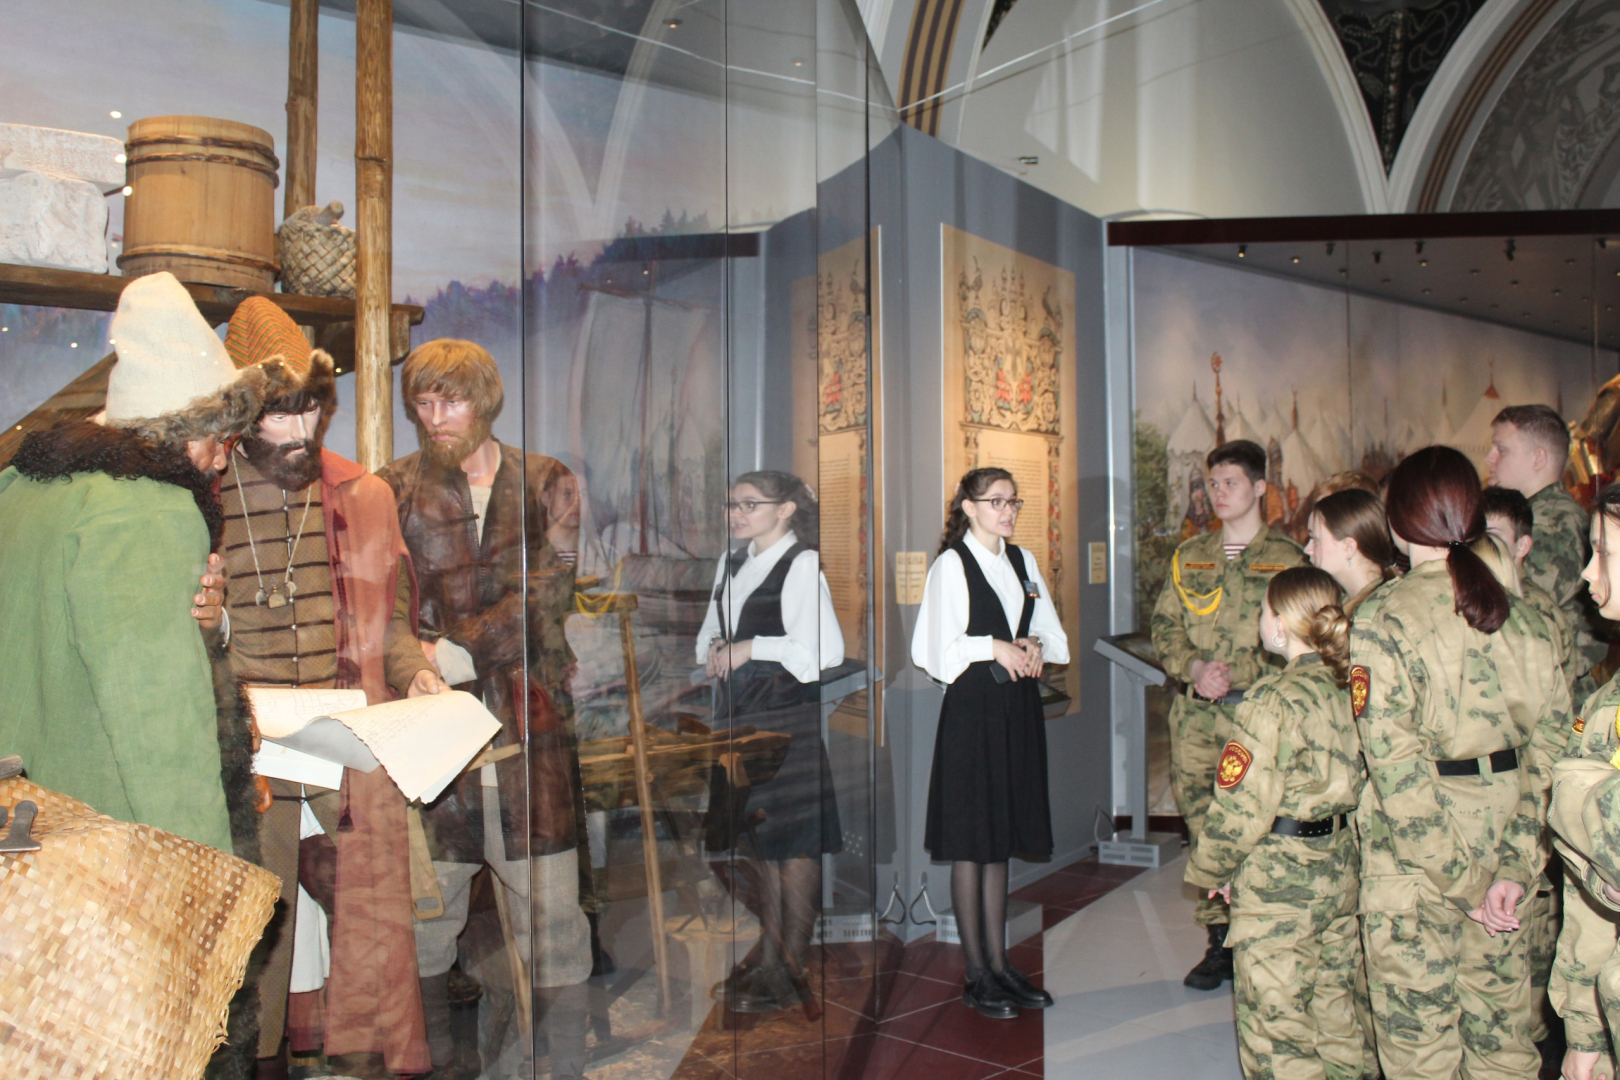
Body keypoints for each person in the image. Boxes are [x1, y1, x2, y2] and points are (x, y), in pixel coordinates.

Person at [215, 297, 444, 1079]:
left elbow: (392, 624)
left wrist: (416, 673)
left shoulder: (360, 495)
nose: (299, 431)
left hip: (343, 743)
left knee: (370, 914)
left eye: (310, 410)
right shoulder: (201, 500)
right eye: (278, 414)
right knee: (258, 923)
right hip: (247, 751)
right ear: (241, 413)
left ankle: (367, 1058)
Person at [0, 271, 278, 852]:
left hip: (17, 829)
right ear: (178, 432)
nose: (220, 462)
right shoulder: (152, 509)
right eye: (218, 439)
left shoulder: (23, 486)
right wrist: (203, 869)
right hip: (95, 844)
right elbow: (158, 724)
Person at [377, 338, 592, 1077]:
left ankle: (562, 1071)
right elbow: (383, 607)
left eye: (453, 401)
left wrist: (453, 651)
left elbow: (551, 593)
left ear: (486, 401)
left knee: (554, 919)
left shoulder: (548, 482)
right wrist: (413, 666)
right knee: (426, 921)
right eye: (423, 404)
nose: (436, 418)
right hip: (433, 740)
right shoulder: (393, 490)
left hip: (530, 734)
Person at [1350, 445, 1571, 1080]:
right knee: (1503, 1043)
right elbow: (1555, 754)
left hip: (1416, 872)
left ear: (1398, 520)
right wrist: (1512, 869)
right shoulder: (1528, 620)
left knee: (1420, 1052)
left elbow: (1396, 772)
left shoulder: (1383, 618)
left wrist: (1466, 884)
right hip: (1507, 850)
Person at [1184, 567, 1369, 1080]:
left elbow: (1242, 806)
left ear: (1282, 624)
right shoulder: (1349, 686)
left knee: (1277, 1030)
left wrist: (1214, 870)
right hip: (1340, 867)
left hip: (1280, 883)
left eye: (1264, 611)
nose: (1260, 620)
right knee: (1337, 1017)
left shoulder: (1273, 700)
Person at [912, 467, 1069, 1019]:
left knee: (998, 838)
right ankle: (976, 973)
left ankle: (1000, 965)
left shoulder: (1022, 562)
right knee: (972, 841)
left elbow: (1055, 636)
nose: (1007, 511)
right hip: (973, 713)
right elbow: (932, 652)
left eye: (1013, 502)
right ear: (969, 507)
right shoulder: (952, 565)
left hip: (1016, 711)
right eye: (995, 501)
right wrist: (992, 647)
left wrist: (1034, 643)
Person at [1150, 439, 1306, 989]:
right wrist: (1193, 667)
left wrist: (1238, 673)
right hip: (1196, 721)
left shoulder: (1289, 559)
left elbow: (1302, 639)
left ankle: (1258, 937)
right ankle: (1219, 943)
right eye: (1213, 483)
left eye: (1231, 483)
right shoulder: (1191, 555)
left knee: (1257, 829)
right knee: (1204, 831)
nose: (1218, 493)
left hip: (1254, 721)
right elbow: (1164, 626)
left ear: (1260, 487)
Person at [698, 469, 845, 1013]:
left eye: (750, 504)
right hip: (737, 720)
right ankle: (768, 959)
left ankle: (792, 968)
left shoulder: (801, 564)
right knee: (759, 844)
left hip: (783, 722)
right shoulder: (730, 562)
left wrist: (750, 647)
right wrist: (717, 647)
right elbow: (708, 635)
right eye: (732, 505)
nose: (737, 515)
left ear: (785, 511)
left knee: (793, 844)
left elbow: (823, 652)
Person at [1550, 482, 1620, 1080]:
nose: (1589, 572)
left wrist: (1576, 795)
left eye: (1606, 552)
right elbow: (1594, 901)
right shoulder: (1606, 702)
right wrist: (1585, 1027)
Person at [1489, 404, 1607, 703]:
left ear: (1538, 458)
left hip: (1560, 698)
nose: (1490, 459)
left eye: (1501, 449)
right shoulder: (1531, 517)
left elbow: (1515, 607)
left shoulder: (1555, 525)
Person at [1304, 488, 1396, 615]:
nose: (1307, 549)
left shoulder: (1376, 615)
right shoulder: (1350, 603)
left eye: (1315, 539)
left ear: (1348, 547)